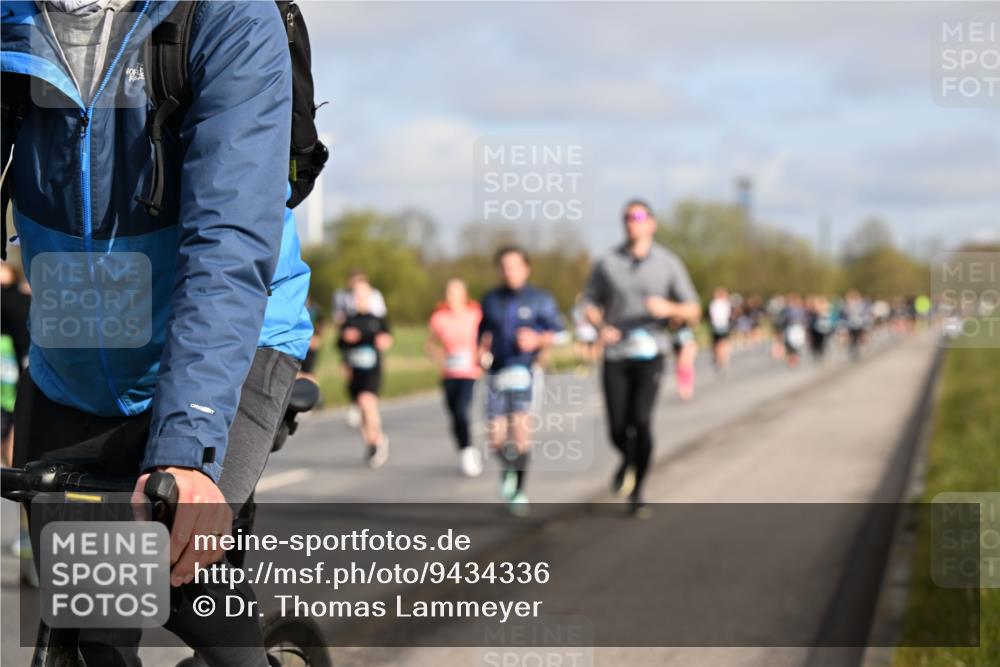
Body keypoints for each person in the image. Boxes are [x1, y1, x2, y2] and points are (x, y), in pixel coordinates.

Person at [2, 3, 313, 664]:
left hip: (225, 334)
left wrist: (186, 448)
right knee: (86, 626)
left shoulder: (226, 16)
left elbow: (228, 246)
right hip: (78, 354)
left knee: (188, 592)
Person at [583, 200, 700, 516]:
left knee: (642, 420)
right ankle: (628, 460)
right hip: (616, 353)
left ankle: (639, 490)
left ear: (652, 223)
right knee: (617, 427)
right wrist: (600, 326)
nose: (631, 222)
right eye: (626, 217)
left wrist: (670, 309)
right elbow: (589, 302)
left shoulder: (668, 263)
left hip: (651, 352)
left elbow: (693, 308)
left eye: (638, 216)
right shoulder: (607, 261)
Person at [478, 246, 563, 515]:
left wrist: (539, 340)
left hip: (526, 372)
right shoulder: (490, 299)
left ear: (526, 268)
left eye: (514, 266)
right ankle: (508, 469)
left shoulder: (541, 299)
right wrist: (481, 351)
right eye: (504, 266)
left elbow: (561, 334)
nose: (509, 271)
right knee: (495, 438)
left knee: (521, 432)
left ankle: (518, 490)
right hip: (497, 373)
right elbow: (481, 334)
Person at [427, 279, 484, 477]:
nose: (451, 296)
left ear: (463, 294)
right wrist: (437, 355)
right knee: (453, 415)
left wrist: (482, 355)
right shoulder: (439, 318)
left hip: (469, 372)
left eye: (455, 292)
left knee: (461, 410)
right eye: (449, 292)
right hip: (449, 372)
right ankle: (463, 450)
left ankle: (468, 453)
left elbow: (486, 337)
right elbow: (430, 344)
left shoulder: (475, 315)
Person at [338, 279, 393, 468]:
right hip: (355, 371)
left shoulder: (377, 320)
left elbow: (387, 339)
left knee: (367, 403)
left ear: (370, 297)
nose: (359, 299)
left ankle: (377, 440)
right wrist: (345, 339)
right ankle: (372, 442)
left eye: (363, 295)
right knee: (363, 410)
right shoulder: (348, 320)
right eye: (356, 295)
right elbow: (340, 345)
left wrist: (384, 341)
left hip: (372, 371)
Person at [670, 319, 698, 401]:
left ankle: (688, 386)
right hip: (676, 337)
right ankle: (682, 385)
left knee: (686, 363)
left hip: (686, 337)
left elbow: (695, 322)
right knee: (679, 364)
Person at [708, 286, 733, 373]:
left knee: (718, 343)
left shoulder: (714, 303)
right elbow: (729, 315)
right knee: (723, 343)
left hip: (717, 325)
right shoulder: (724, 303)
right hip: (723, 325)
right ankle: (723, 359)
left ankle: (719, 359)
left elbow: (712, 316)